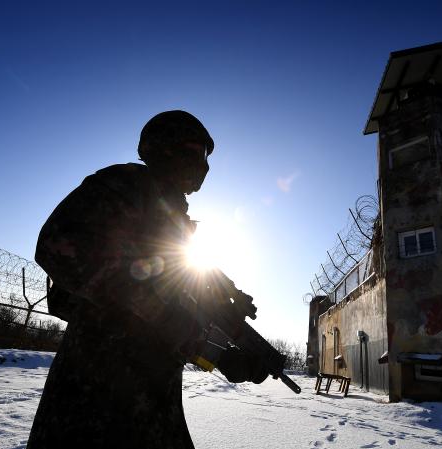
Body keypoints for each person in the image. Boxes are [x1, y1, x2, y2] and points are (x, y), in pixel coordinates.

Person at [27, 111, 266, 449]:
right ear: (164, 148)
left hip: (152, 395)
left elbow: (180, 318)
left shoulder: (176, 220)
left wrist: (224, 353)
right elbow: (57, 245)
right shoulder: (126, 185)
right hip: (96, 386)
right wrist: (160, 311)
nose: (203, 166)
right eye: (195, 153)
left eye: (206, 157)